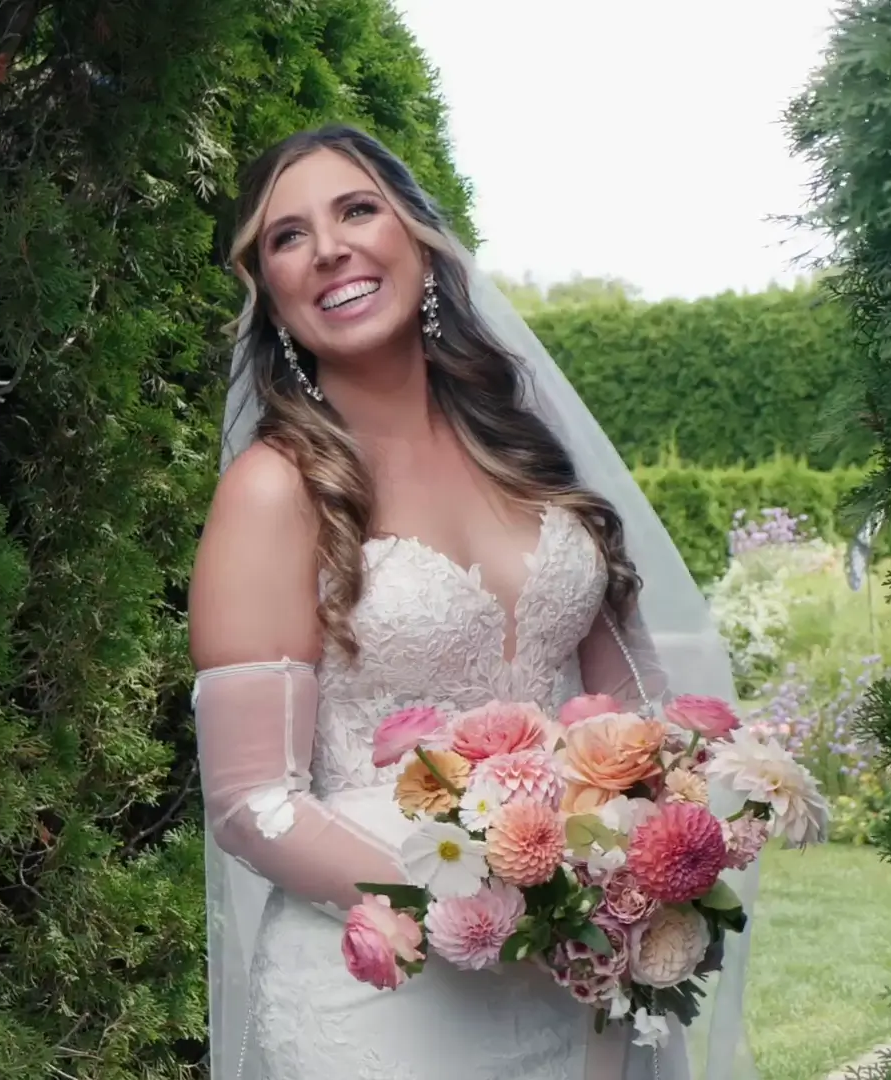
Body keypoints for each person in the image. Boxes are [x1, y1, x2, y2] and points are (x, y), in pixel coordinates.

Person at [189, 124, 758, 1080]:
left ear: (418, 238)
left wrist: (646, 850)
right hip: (382, 995)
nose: (329, 248)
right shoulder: (275, 490)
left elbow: (632, 723)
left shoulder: (530, 462)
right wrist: (480, 906)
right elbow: (252, 804)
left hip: (577, 980)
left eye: (357, 210)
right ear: (270, 292)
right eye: (288, 237)